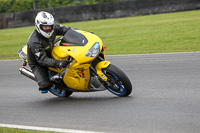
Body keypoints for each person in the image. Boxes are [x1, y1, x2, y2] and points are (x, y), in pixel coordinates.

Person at [27, 11, 70, 93]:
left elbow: (68, 30)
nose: (48, 29)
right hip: (38, 62)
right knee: (44, 86)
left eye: (50, 26)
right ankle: (50, 83)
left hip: (50, 50)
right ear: (38, 25)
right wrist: (59, 63)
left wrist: (83, 34)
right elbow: (42, 60)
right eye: (45, 27)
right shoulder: (34, 42)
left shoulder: (53, 29)